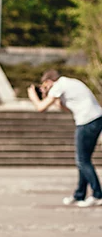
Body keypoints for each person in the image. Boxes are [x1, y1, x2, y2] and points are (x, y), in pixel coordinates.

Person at [28, 69, 102, 207]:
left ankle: (98, 194)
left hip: (88, 121)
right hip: (95, 119)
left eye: (44, 86)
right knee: (83, 160)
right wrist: (50, 97)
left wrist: (34, 96)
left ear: (49, 82)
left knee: (82, 160)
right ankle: (79, 194)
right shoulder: (68, 84)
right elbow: (66, 108)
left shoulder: (59, 85)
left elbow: (40, 108)